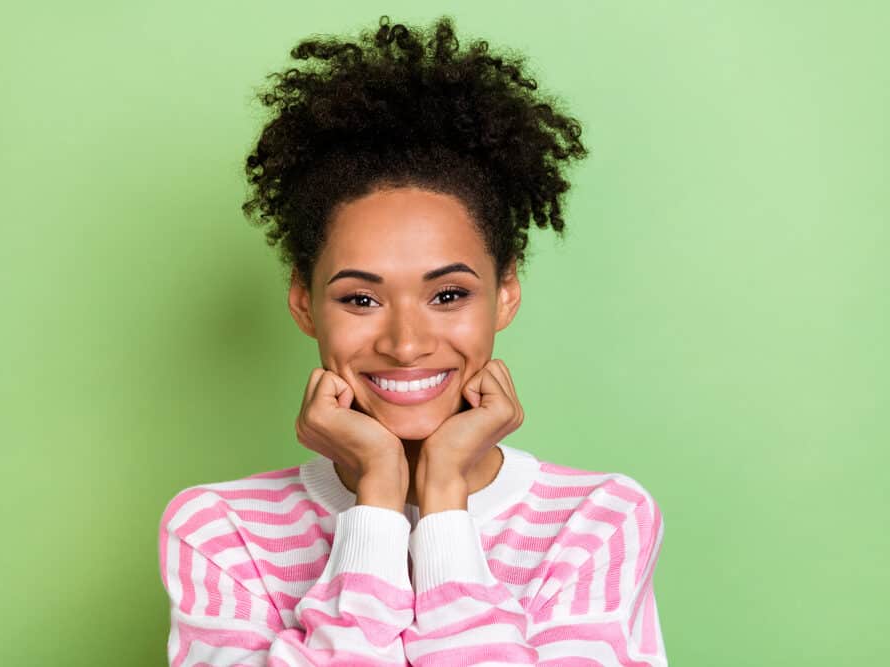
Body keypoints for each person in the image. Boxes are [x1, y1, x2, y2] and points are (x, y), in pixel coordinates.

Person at [158, 15, 667, 666]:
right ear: (302, 301)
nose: (405, 344)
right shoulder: (220, 533)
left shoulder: (597, 522)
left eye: (448, 294)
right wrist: (378, 495)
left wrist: (444, 498)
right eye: (360, 298)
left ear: (506, 290)